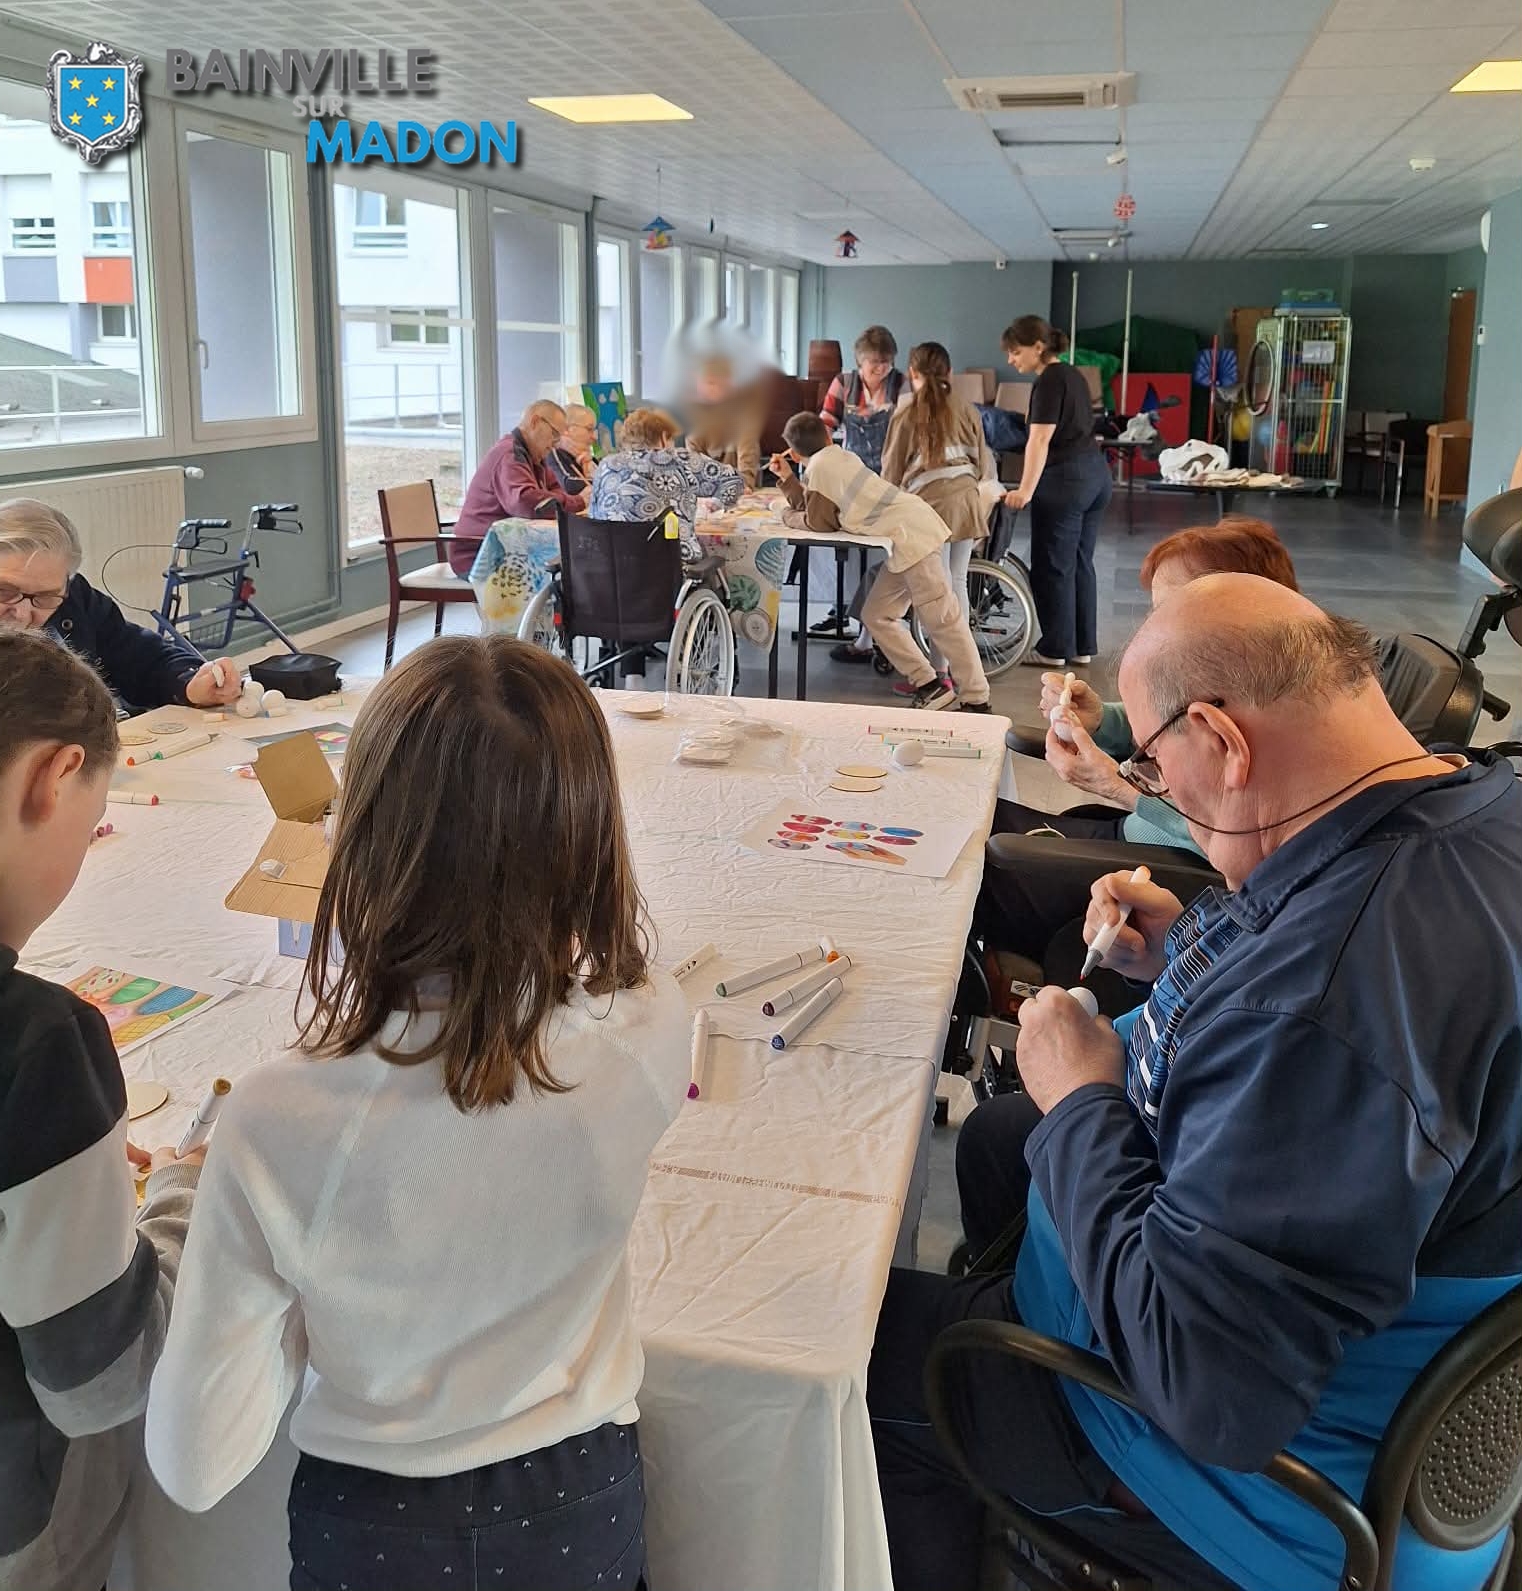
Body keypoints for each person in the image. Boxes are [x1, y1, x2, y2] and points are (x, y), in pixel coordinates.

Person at [870, 573, 1522, 1591]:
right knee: (1004, 1143)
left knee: (849, 1368)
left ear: (1222, 738)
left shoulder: (1328, 1007)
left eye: (1160, 769)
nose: (1159, 792)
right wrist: (1196, 956)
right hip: (1378, 1389)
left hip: (1251, 1494)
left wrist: (1083, 1098)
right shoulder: (1469, 808)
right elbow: (1326, 981)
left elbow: (1208, 1391)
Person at [145, 636, 691, 1591]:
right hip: (579, 1498)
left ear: (359, 841)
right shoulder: (647, 1033)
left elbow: (193, 1463)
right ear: (590, 839)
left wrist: (198, 1192)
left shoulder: (279, 1115)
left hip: (374, 1525)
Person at [0, 628, 203, 1591]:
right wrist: (173, 1201)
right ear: (54, 775)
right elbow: (99, 1378)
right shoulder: (39, 1043)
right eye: (89, 829)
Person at [773, 413, 989, 712]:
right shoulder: (839, 456)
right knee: (876, 614)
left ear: (794, 453)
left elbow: (818, 522)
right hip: (906, 535)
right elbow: (818, 510)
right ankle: (929, 684)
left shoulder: (820, 467)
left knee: (942, 620)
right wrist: (788, 480)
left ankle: (976, 698)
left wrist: (784, 515)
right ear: (827, 434)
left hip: (912, 537)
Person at [0, 499, 241, 716]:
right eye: (4, 591)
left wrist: (189, 684)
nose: (21, 614)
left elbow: (138, 657)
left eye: (44, 597)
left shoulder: (76, 599)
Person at [881, 343, 994, 694]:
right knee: (954, 584)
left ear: (912, 374)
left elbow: (890, 470)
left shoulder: (906, 412)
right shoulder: (966, 409)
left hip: (928, 512)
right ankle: (958, 673)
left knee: (936, 592)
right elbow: (981, 459)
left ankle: (940, 675)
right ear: (948, 373)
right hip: (966, 504)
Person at [1001, 316, 1113, 668]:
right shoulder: (1075, 375)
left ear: (1038, 346)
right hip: (1095, 474)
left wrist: (1025, 490)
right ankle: (1080, 647)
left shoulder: (1049, 381)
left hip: (1066, 480)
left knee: (1052, 566)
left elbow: (1040, 438)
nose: (1010, 360)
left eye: (1015, 352)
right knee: (1080, 563)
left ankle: (1053, 649)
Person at [816, 325, 909, 663]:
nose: (879, 370)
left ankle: (878, 633)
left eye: (885, 363)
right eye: (873, 364)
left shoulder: (902, 385)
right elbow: (825, 425)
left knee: (886, 557)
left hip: (891, 479)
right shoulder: (843, 383)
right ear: (859, 362)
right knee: (855, 555)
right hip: (853, 479)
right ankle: (862, 631)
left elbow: (910, 429)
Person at [449, 400, 587, 577]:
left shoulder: (533, 455)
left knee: (570, 568)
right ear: (535, 421)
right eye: (554, 434)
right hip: (479, 553)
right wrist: (578, 501)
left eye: (558, 438)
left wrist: (561, 500)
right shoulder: (509, 454)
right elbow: (526, 503)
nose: (555, 443)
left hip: (507, 547)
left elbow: (555, 490)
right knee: (567, 573)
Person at [588, 405, 744, 555]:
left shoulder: (606, 465)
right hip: (669, 565)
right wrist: (717, 505)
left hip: (610, 567)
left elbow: (593, 514)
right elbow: (734, 481)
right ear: (663, 437)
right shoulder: (679, 460)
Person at [548, 403, 599, 499]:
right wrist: (607, 484)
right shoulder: (554, 452)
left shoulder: (588, 459)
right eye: (589, 429)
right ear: (567, 429)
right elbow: (569, 484)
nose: (594, 437)